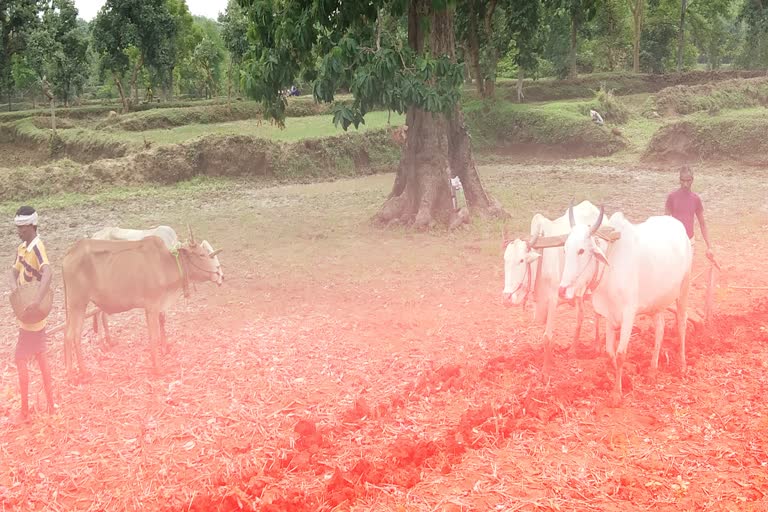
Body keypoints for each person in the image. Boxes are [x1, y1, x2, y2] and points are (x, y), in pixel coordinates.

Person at [8, 205, 54, 424]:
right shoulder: (22, 247)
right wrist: (14, 288)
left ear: (32, 226)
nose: (20, 232)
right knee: (40, 355)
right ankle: (51, 405)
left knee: (20, 358)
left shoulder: (37, 247)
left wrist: (36, 299)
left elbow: (48, 271)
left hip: (33, 314)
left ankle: (25, 412)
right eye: (18, 228)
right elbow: (14, 270)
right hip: (27, 312)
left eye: (23, 228)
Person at [665, 165, 713, 260]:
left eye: (688, 180)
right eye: (683, 180)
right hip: (674, 241)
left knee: (687, 273)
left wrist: (709, 247)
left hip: (689, 241)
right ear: (679, 180)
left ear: (692, 180)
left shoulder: (696, 199)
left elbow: (702, 224)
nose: (685, 184)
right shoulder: (672, 197)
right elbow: (665, 221)